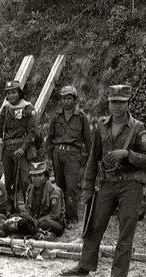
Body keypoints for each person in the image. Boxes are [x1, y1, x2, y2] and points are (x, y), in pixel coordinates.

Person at [61, 85, 146, 277]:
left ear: (128, 103)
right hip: (107, 183)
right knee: (94, 225)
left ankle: (117, 275)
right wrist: (87, 187)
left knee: (125, 230)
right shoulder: (101, 126)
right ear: (108, 103)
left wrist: (128, 155)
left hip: (131, 184)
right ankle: (85, 265)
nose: (117, 106)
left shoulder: (139, 128)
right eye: (114, 102)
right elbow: (94, 158)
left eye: (121, 102)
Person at [46, 85, 92, 227]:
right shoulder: (56, 117)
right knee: (59, 187)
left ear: (75, 99)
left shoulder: (82, 117)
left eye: (69, 98)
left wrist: (86, 158)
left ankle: (72, 217)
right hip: (57, 153)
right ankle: (60, 215)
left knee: (71, 187)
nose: (66, 101)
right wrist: (49, 157)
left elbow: (88, 140)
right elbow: (50, 138)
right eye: (64, 98)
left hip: (73, 154)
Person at [0, 80, 38, 215]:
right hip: (7, 148)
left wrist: (23, 148)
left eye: (13, 92)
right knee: (9, 180)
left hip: (22, 148)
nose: (11, 96)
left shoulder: (28, 108)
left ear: (19, 93)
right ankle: (10, 208)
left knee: (25, 180)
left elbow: (32, 131)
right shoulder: (6, 109)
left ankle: (29, 208)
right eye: (8, 93)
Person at [23, 162, 66, 238]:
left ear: (45, 176)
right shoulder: (30, 190)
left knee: (43, 223)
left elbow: (55, 215)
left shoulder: (54, 191)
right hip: (38, 220)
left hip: (54, 222)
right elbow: (29, 210)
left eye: (40, 175)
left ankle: (43, 233)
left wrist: (36, 221)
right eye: (33, 176)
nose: (36, 179)